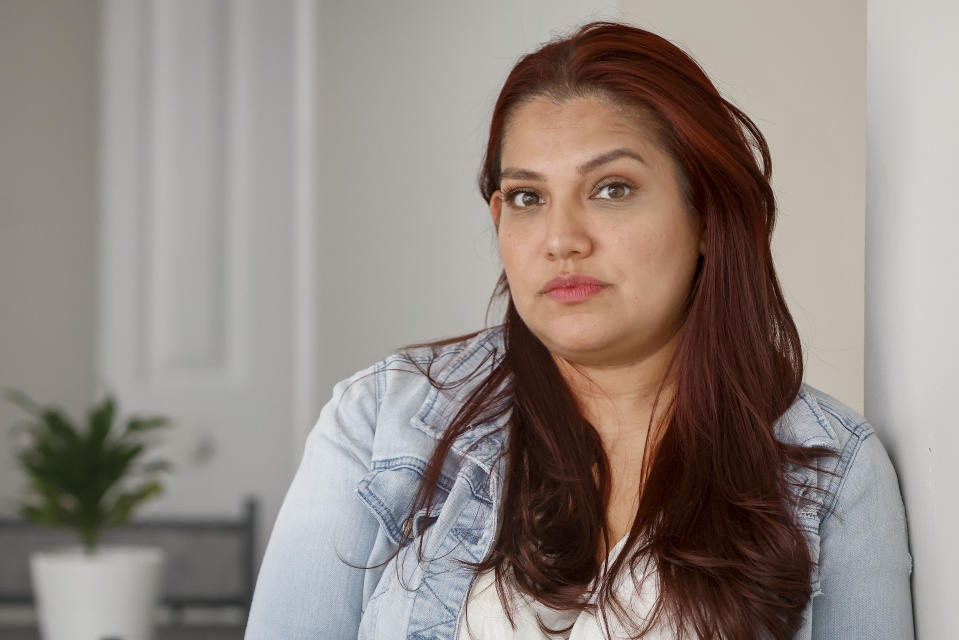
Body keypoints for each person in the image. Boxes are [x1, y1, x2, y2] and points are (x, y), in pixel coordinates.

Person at [244, 20, 914, 640]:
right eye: (528, 198)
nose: (561, 240)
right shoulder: (379, 423)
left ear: (706, 214)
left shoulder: (832, 472)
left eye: (611, 188)